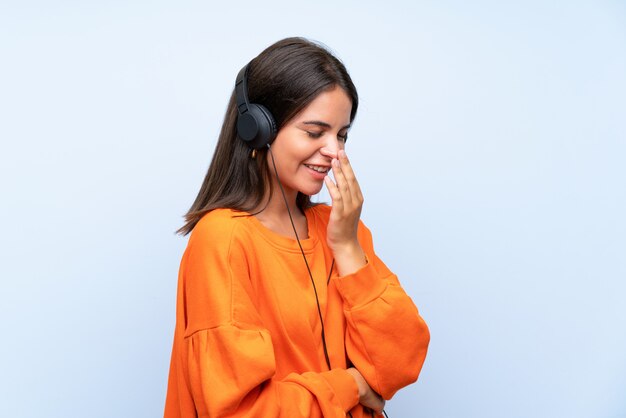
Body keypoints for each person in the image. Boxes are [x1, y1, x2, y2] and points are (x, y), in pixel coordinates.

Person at [163, 37, 430, 418]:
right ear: (258, 129)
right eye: (314, 132)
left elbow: (400, 362)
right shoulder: (223, 239)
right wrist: (352, 385)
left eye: (341, 134)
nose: (335, 151)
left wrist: (348, 248)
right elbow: (241, 411)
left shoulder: (341, 231)